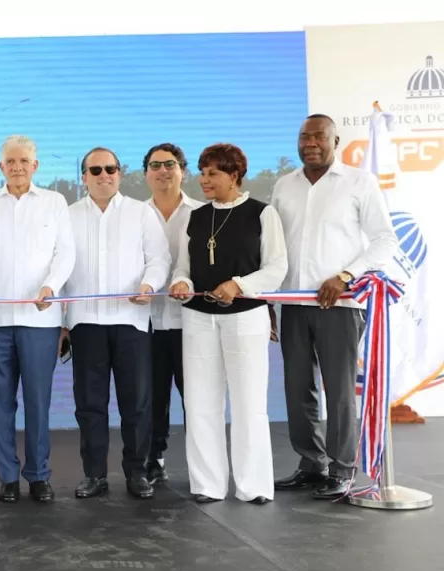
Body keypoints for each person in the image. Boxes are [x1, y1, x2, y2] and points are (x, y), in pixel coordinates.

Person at [271, 114, 398, 499]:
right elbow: (273, 247)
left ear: (336, 140)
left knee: (339, 390)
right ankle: (312, 464)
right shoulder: (284, 185)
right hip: (292, 302)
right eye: (304, 136)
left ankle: (343, 469)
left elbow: (385, 240)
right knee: (297, 388)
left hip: (339, 304)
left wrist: (345, 275)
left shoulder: (360, 182)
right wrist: (266, 301)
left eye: (319, 136)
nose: (310, 143)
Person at [169, 143, 288, 504]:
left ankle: (254, 486)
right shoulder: (195, 217)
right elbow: (183, 267)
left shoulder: (262, 214)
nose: (204, 180)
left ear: (234, 175)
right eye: (202, 173)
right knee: (201, 403)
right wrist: (182, 285)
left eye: (213, 173)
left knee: (249, 402)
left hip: (246, 318)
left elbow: (276, 268)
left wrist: (239, 285)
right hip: (198, 320)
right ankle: (207, 484)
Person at [0, 135, 75, 503]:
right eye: (10, 161)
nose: (17, 167)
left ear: (35, 165)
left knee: (38, 401)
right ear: (1, 167)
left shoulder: (55, 203)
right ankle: (8, 477)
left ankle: (39, 475)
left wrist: (51, 286)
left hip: (40, 320)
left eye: (24, 161)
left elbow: (65, 254)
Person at [61, 146, 170, 500]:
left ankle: (137, 472)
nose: (103, 175)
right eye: (95, 170)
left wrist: (149, 285)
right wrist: (63, 320)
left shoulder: (141, 213)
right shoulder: (68, 215)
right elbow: (59, 269)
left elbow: (159, 259)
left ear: (120, 173)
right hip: (85, 323)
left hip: (132, 321)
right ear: (84, 177)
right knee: (90, 405)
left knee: (136, 403)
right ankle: (94, 475)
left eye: (110, 169)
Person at [142, 143, 203, 485]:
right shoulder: (136, 214)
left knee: (195, 397)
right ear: (146, 173)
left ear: (183, 170)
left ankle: (202, 463)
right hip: (146, 321)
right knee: (152, 398)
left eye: (170, 164)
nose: (162, 171)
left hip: (190, 322)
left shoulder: (202, 213)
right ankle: (154, 458)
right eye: (155, 165)